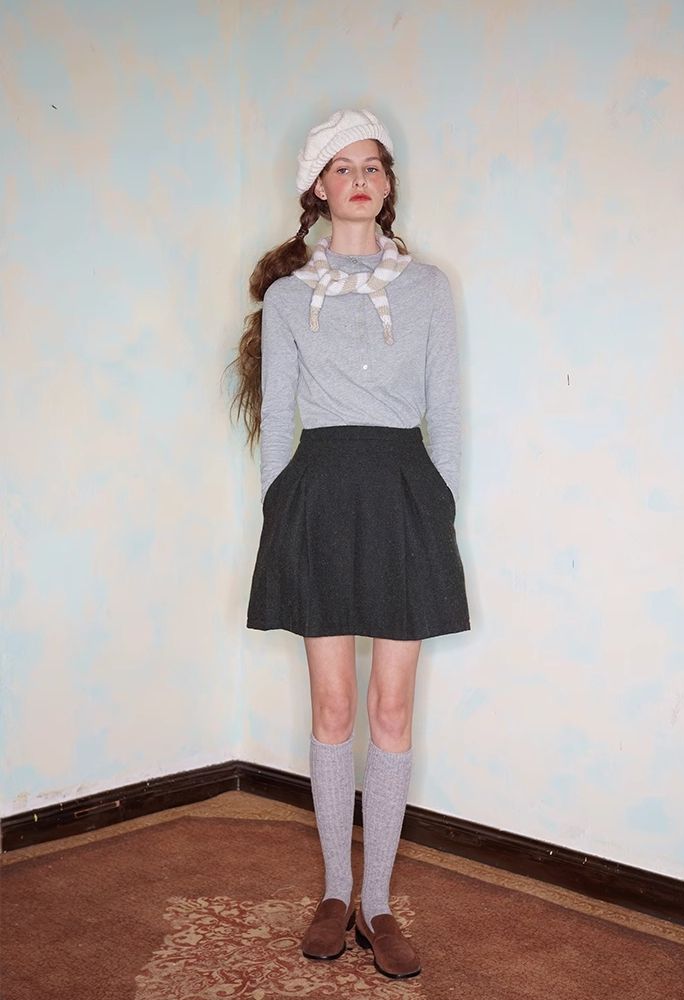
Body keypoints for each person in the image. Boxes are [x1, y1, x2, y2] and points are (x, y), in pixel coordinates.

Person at [227, 108, 470, 980]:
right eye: (343, 167)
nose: (361, 179)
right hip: (319, 500)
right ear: (318, 188)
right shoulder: (290, 298)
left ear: (387, 184)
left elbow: (445, 414)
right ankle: (335, 892)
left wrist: (435, 504)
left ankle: (378, 904)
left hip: (404, 498)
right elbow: (277, 425)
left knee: (391, 710)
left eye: (374, 166)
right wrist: (281, 508)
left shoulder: (429, 289)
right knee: (332, 708)